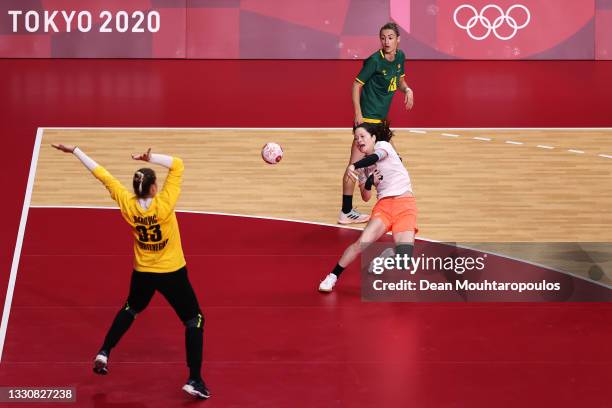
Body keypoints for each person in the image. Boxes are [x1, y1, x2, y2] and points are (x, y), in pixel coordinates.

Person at [52, 144, 210, 400]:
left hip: (143, 272)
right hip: (172, 272)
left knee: (131, 308)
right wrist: (152, 157)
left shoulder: (128, 204)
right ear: (154, 188)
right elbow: (178, 164)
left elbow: (102, 175)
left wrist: (76, 151)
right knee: (195, 320)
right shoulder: (165, 204)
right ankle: (195, 379)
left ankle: (104, 351)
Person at [320, 122, 417, 292]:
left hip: (405, 205)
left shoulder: (383, 146)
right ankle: (332, 276)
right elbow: (366, 197)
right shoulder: (364, 167)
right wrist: (370, 181)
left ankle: (384, 258)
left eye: (362, 136)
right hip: (384, 207)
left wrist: (354, 165)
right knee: (360, 244)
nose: (358, 140)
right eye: (356, 138)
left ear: (373, 138)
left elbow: (376, 157)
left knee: (405, 260)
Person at [339, 21, 414, 225]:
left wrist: (407, 90)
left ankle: (370, 179)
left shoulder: (400, 57)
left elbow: (399, 80)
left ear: (398, 39)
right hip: (366, 122)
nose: (386, 41)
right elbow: (356, 85)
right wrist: (358, 114)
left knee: (395, 160)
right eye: (383, 38)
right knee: (352, 167)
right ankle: (345, 211)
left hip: (381, 123)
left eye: (390, 38)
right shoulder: (374, 60)